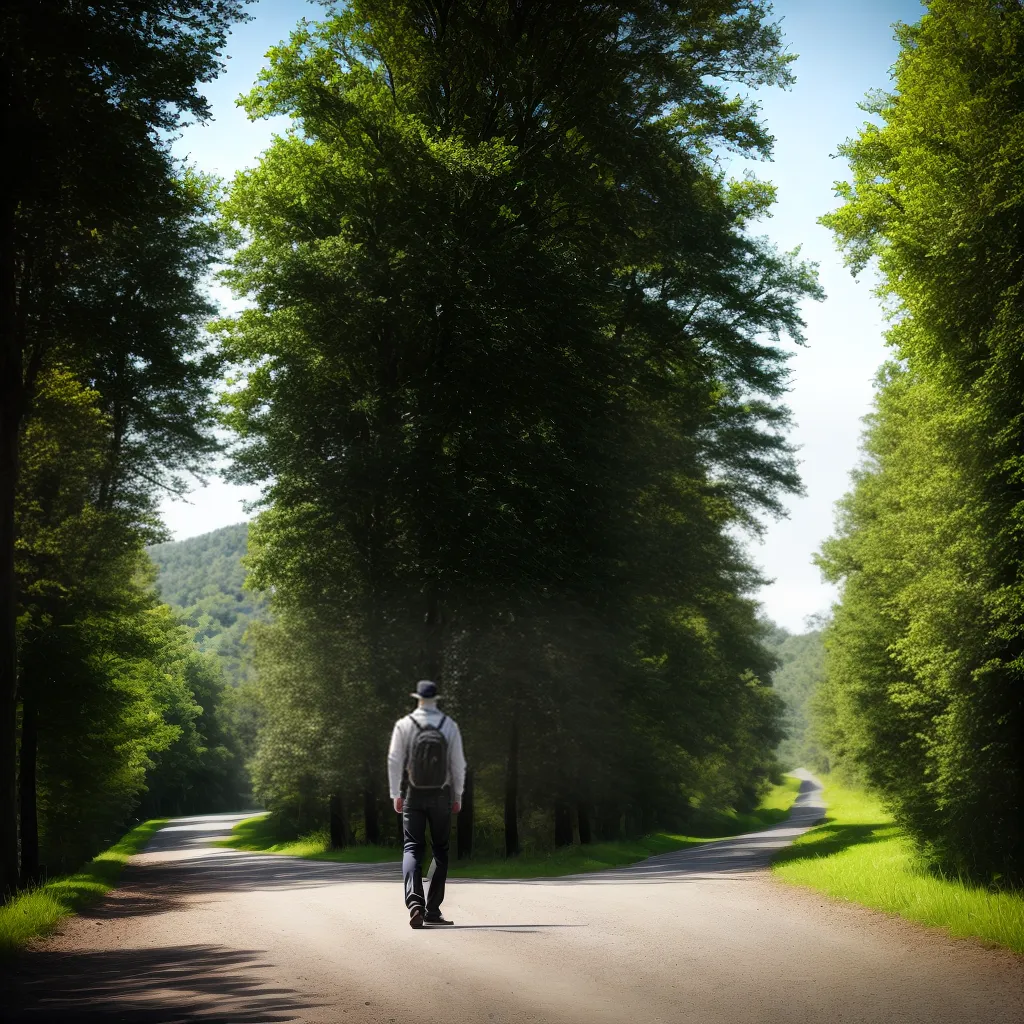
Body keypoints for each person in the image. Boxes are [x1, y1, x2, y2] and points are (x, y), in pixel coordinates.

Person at [387, 679, 466, 929]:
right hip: (441, 795)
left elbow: (394, 760)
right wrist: (458, 796)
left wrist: (395, 793)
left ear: (418, 699)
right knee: (440, 850)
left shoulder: (404, 724)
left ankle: (415, 904)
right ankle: (432, 910)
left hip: (413, 793)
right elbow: (458, 764)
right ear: (436, 699)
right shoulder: (448, 725)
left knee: (412, 847)